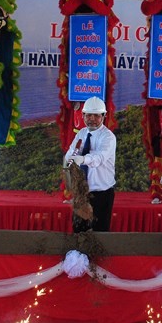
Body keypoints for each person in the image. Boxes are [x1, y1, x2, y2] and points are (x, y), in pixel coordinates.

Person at [66, 96, 116, 232]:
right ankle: (78, 254)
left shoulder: (108, 137)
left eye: (96, 115)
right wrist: (70, 159)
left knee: (100, 232)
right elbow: (70, 153)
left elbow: (99, 157)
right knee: (78, 230)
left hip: (102, 193)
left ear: (104, 116)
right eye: (89, 115)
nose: (92, 119)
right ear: (83, 115)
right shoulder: (81, 133)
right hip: (82, 192)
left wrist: (83, 159)